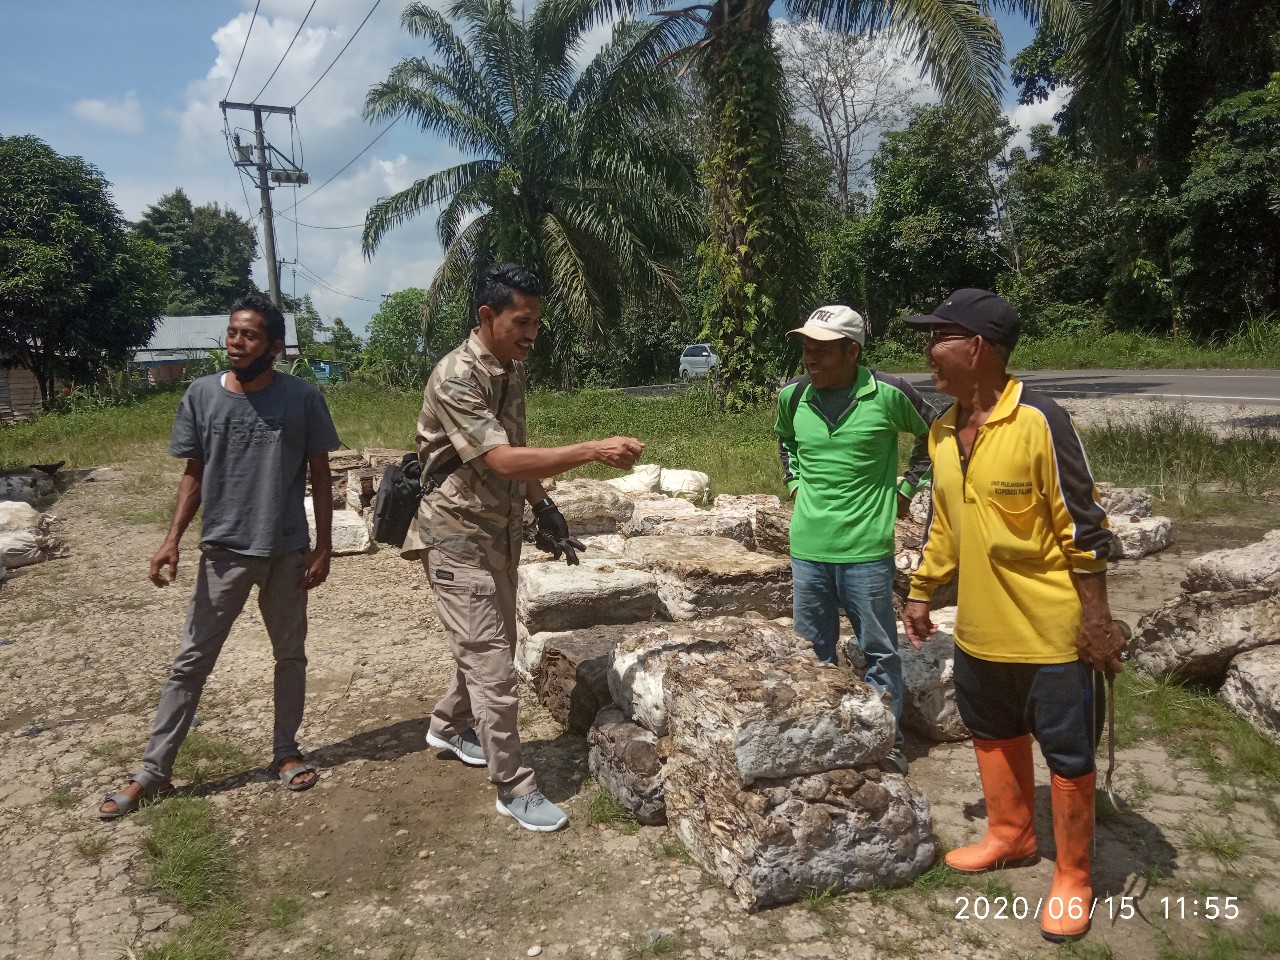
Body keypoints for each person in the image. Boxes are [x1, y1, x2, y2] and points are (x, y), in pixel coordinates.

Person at [899, 289, 1125, 943]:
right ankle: (1012, 834)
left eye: (937, 337)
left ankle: (1075, 877)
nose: (927, 352)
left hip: (1052, 633)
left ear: (976, 348)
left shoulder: (1040, 420)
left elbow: (1085, 526)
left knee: (1067, 752)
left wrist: (1098, 621)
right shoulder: (943, 429)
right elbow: (945, 524)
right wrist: (923, 590)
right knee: (991, 731)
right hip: (979, 630)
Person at [402, 262, 645, 832]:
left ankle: (447, 725)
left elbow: (518, 449)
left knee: (491, 643)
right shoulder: (456, 376)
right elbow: (500, 460)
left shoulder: (511, 367)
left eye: (537, 321)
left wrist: (546, 510)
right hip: (456, 537)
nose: (532, 333)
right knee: (492, 663)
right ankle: (513, 787)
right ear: (487, 316)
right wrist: (591, 449)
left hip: (500, 531)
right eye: (523, 321)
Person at [100, 294, 341, 819]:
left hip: (285, 553)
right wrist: (171, 539)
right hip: (223, 553)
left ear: (274, 346)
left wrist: (323, 545)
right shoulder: (201, 395)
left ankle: (285, 751)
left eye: (249, 335)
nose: (236, 342)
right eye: (233, 332)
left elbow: (320, 474)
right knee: (191, 662)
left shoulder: (302, 399)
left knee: (290, 655)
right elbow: (194, 473)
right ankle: (153, 771)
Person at [776, 305, 936, 775]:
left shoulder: (888, 393)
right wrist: (795, 484)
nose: (810, 359)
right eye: (806, 347)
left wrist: (906, 488)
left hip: (866, 549)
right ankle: (824, 738)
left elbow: (936, 433)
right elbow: (785, 440)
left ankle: (885, 739)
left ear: (852, 350)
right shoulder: (792, 395)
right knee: (811, 650)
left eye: (822, 350)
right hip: (808, 548)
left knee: (879, 649)